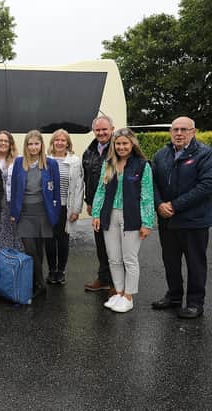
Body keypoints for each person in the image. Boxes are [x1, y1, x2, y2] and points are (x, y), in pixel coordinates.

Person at [151, 116, 212, 319]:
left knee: (196, 264)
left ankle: (195, 303)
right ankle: (174, 296)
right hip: (167, 221)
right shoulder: (161, 155)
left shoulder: (205, 154)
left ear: (193, 132)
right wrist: (159, 204)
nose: (179, 133)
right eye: (175, 129)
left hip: (194, 221)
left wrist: (174, 206)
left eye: (183, 129)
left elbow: (206, 186)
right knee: (170, 262)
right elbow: (153, 183)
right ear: (170, 132)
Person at [91, 128, 153, 313]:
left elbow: (147, 196)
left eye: (125, 143)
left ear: (132, 144)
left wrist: (147, 223)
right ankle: (118, 292)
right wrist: (96, 214)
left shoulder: (142, 165)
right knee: (114, 258)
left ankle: (129, 296)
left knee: (129, 258)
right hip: (110, 215)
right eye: (118, 143)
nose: (121, 147)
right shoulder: (108, 164)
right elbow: (100, 191)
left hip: (132, 217)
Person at [10, 130, 60, 298]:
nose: (33, 147)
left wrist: (56, 212)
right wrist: (13, 212)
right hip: (24, 212)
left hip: (43, 211)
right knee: (30, 249)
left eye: (36, 144)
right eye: (30, 144)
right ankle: (40, 282)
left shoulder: (51, 164)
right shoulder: (19, 162)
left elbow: (56, 191)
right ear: (26, 146)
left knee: (39, 249)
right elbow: (15, 188)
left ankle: (36, 282)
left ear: (41, 145)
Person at [44, 129, 84, 285]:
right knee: (49, 239)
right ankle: (51, 270)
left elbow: (79, 187)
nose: (60, 143)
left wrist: (76, 209)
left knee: (62, 239)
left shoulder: (75, 161)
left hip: (65, 207)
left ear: (68, 143)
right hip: (48, 207)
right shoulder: (45, 160)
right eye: (57, 140)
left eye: (63, 140)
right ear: (52, 143)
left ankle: (61, 271)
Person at [82, 116, 115, 293]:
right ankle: (103, 279)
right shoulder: (89, 151)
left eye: (105, 130)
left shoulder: (119, 148)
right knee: (101, 244)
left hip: (115, 206)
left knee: (115, 245)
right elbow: (88, 179)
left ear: (112, 129)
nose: (101, 133)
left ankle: (116, 283)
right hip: (96, 206)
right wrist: (89, 202)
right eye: (98, 130)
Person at [0, 130, 22, 251]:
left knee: (16, 233)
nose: (3, 143)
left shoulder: (18, 160)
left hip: (13, 202)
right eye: (0, 140)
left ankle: (16, 263)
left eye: (6, 141)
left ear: (10, 144)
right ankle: (2, 262)